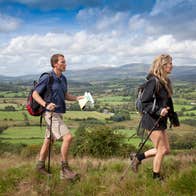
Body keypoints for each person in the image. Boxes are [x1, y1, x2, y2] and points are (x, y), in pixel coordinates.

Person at [33, 54, 83, 180]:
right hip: (50, 114)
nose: (65, 64)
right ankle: (65, 170)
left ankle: (40, 166)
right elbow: (35, 94)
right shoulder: (47, 77)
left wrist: (77, 98)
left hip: (59, 113)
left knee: (49, 140)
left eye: (65, 62)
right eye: (63, 62)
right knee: (68, 137)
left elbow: (65, 95)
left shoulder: (63, 79)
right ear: (55, 64)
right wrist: (46, 104)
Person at [131, 54, 179, 180]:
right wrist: (159, 110)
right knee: (161, 149)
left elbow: (168, 102)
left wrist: (173, 117)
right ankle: (156, 177)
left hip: (160, 119)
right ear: (162, 65)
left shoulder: (165, 81)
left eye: (171, 63)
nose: (171, 65)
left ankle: (138, 157)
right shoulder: (153, 82)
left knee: (166, 149)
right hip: (152, 120)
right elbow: (146, 102)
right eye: (169, 63)